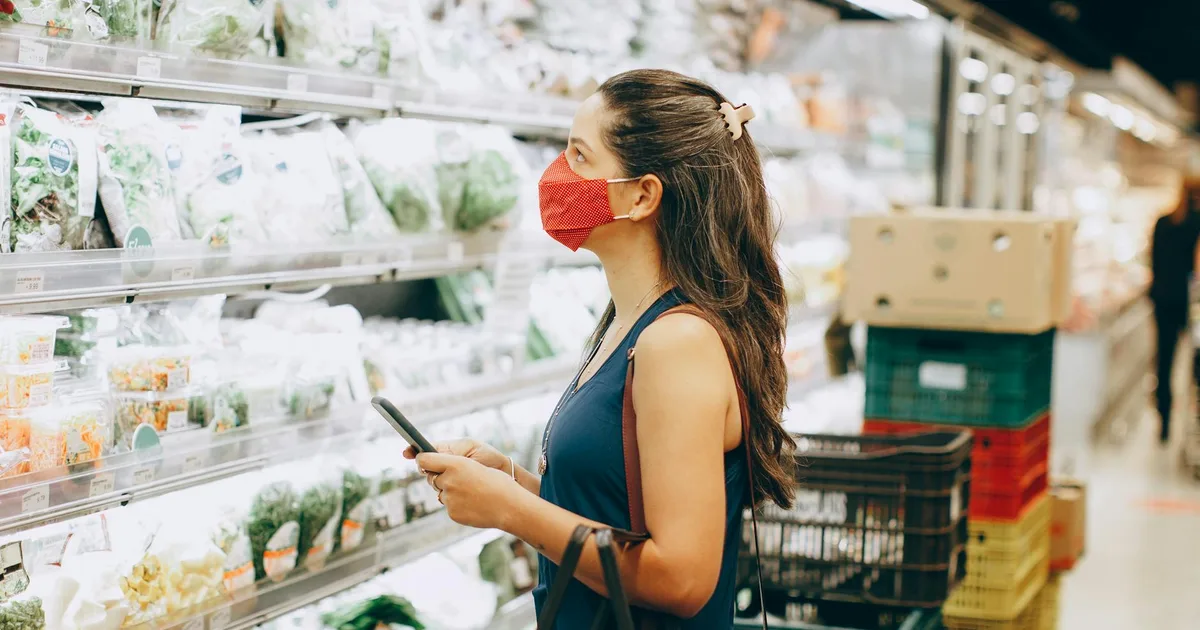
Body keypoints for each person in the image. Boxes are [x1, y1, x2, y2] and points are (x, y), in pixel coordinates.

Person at [405, 69, 797, 628]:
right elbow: (616, 515)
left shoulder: (676, 343)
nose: (556, 175)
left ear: (642, 195)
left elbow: (681, 579)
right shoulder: (629, 321)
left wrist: (511, 511)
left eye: (579, 156)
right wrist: (510, 481)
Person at [1149, 180, 1200, 444]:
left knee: (1165, 361)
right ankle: (1193, 416)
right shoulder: (1196, 225)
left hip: (1162, 300)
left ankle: (1164, 420)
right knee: (1194, 361)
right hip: (1187, 303)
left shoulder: (1163, 222)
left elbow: (1153, 262)